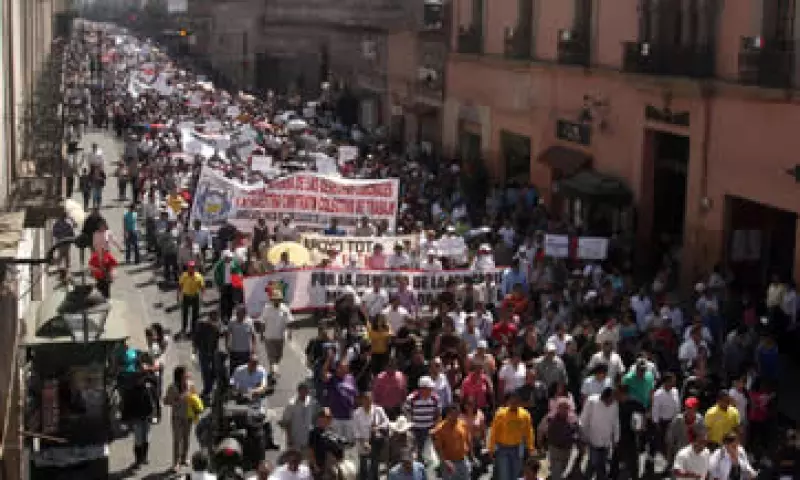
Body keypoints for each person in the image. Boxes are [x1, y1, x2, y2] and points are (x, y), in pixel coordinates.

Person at [488, 390, 536, 480]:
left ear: (519, 402)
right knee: (504, 476)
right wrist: (491, 448)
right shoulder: (500, 414)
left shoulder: (525, 414)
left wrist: (531, 447)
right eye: (512, 401)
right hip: (503, 449)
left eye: (516, 401)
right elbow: (494, 431)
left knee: (516, 475)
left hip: (517, 448)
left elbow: (529, 432)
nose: (514, 403)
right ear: (508, 401)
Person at [579, 386, 620, 480]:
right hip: (593, 439)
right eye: (609, 401)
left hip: (606, 441)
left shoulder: (614, 404)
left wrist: (616, 439)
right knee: (597, 463)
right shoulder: (592, 401)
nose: (610, 403)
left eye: (612, 400)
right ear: (603, 397)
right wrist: (583, 435)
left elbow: (616, 422)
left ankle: (588, 476)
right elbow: (584, 419)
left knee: (598, 463)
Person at [353, 391, 390, 480]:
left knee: (375, 464)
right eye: (365, 400)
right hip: (362, 442)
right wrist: (364, 442)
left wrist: (378, 427)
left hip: (375, 441)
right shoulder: (356, 413)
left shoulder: (378, 410)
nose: (367, 402)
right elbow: (356, 430)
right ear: (362, 400)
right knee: (363, 465)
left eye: (369, 400)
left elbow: (387, 422)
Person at [163, 365, 194, 472]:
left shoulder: (191, 385)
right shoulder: (172, 387)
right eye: (186, 373)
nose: (188, 374)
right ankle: (175, 463)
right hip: (177, 417)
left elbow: (195, 397)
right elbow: (166, 401)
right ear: (180, 375)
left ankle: (184, 458)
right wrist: (177, 400)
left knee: (186, 438)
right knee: (177, 440)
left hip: (188, 417)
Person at [431, 405, 472, 480]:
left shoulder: (462, 424)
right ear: (448, 415)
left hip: (463, 460)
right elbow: (438, 448)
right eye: (454, 414)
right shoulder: (439, 429)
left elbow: (468, 440)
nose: (456, 417)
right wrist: (445, 462)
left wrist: (471, 456)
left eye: (457, 414)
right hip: (449, 463)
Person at [262, 289, 294, 376]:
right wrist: (262, 334)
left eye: (278, 299)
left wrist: (290, 333)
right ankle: (274, 373)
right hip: (269, 337)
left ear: (280, 299)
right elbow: (263, 321)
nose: (276, 301)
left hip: (280, 338)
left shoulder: (285, 309)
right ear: (272, 300)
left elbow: (289, 321)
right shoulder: (267, 308)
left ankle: (273, 370)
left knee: (278, 357)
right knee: (272, 356)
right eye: (275, 299)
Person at [280, 382, 319, 451]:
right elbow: (286, 422)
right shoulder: (291, 404)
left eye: (306, 391)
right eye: (302, 391)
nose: (305, 393)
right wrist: (289, 438)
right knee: (294, 456)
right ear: (298, 391)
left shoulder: (312, 402)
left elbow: (315, 417)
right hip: (295, 438)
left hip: (308, 438)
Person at [193, 310, 221, 400]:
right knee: (205, 371)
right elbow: (196, 337)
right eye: (215, 317)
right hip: (203, 351)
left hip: (213, 351)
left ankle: (210, 388)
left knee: (214, 371)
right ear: (210, 316)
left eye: (217, 318)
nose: (216, 319)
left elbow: (217, 337)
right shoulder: (201, 324)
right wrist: (195, 348)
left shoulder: (217, 325)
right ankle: (207, 389)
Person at [214, 250, 244, 323]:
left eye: (230, 257)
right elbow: (216, 275)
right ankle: (223, 317)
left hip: (232, 285)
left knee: (231, 301)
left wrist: (239, 277)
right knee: (224, 301)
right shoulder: (219, 265)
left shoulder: (234, 263)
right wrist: (218, 284)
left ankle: (229, 317)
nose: (229, 259)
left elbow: (239, 272)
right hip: (224, 285)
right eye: (227, 257)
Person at [226, 305, 257, 373]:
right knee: (233, 370)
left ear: (244, 314)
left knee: (245, 370)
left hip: (246, 351)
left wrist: (253, 349)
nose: (238, 315)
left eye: (240, 313)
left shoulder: (249, 322)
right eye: (237, 313)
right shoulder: (232, 321)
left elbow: (253, 336)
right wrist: (227, 344)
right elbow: (228, 333)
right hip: (234, 350)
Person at [178, 260, 205, 336]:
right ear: (188, 268)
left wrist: (202, 297)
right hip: (186, 296)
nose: (191, 268)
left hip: (195, 296)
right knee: (185, 313)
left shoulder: (199, 276)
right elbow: (180, 286)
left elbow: (202, 287)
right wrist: (178, 296)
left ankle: (193, 329)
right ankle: (184, 328)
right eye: (190, 267)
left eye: (193, 267)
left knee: (195, 314)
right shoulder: (184, 276)